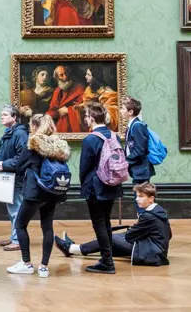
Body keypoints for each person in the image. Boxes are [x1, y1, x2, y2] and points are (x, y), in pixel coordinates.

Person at [6, 114, 70, 278]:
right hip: (52, 191)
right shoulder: (59, 146)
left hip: (35, 192)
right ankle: (44, 267)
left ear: (34, 126)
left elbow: (19, 167)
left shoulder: (33, 146)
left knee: (20, 224)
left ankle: (26, 263)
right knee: (47, 227)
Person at [55, 182, 172, 267]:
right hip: (157, 250)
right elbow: (169, 235)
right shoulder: (159, 211)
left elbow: (129, 236)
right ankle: (75, 248)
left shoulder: (148, 216)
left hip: (150, 252)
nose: (137, 199)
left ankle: (71, 248)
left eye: (141, 196)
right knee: (112, 238)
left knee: (109, 238)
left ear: (151, 198)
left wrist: (136, 227)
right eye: (136, 196)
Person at [80, 102, 123, 274]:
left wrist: (83, 186)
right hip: (112, 184)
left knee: (99, 224)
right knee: (106, 222)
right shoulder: (114, 135)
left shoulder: (90, 139)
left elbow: (85, 167)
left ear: (91, 118)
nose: (85, 119)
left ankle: (107, 262)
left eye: (86, 116)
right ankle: (107, 257)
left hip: (96, 187)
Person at [0, 105, 29, 251]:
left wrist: (4, 164)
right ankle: (15, 236)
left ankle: (18, 240)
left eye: (5, 114)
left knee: (17, 209)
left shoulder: (20, 134)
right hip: (9, 176)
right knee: (12, 209)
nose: (2, 116)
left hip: (17, 177)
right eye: (1, 114)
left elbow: (21, 157)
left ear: (14, 117)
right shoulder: (9, 132)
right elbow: (7, 153)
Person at [121, 96, 156, 214]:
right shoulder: (133, 125)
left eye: (123, 108)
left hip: (141, 169)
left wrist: (126, 161)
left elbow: (140, 150)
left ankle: (145, 224)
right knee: (140, 199)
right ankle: (144, 223)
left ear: (130, 112)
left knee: (141, 200)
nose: (121, 111)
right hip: (138, 169)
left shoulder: (137, 126)